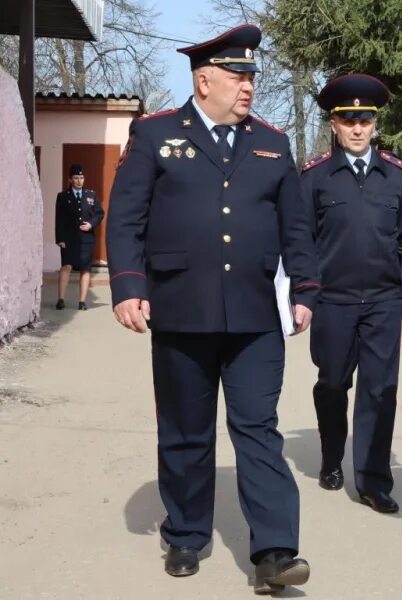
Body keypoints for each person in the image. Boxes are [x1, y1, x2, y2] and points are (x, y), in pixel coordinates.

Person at [106, 24, 320, 595]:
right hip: (180, 308)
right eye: (236, 75)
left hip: (255, 315)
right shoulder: (154, 135)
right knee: (185, 429)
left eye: (251, 75)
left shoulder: (272, 142)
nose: (248, 85)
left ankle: (275, 550)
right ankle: (185, 531)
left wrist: (304, 291)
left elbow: (295, 227)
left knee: (257, 428)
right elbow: (125, 218)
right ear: (204, 80)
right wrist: (128, 285)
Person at [300, 74, 402, 513]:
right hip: (333, 301)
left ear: (375, 124)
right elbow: (301, 240)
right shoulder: (314, 178)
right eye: (349, 119)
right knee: (332, 382)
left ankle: (372, 481)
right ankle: (332, 455)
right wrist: (305, 294)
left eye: (365, 119)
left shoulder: (396, 178)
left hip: (383, 302)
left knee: (380, 390)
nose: (358, 128)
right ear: (334, 124)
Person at [54, 164, 104, 310]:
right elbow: (59, 218)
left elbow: (100, 213)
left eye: (81, 178)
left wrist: (91, 224)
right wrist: (60, 238)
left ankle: (82, 302)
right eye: (76, 178)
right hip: (69, 238)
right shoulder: (63, 196)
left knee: (85, 269)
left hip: (86, 238)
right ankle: (61, 299)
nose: (79, 181)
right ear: (70, 179)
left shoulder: (91, 195)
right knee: (66, 267)